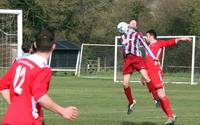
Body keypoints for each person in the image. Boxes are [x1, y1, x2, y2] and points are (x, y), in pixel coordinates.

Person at [0, 29, 78, 125]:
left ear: (35, 45)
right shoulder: (43, 69)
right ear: (53, 46)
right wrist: (62, 111)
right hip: (29, 121)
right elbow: (40, 96)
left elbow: (2, 86)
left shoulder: (19, 62)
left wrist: (14, 106)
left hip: (9, 119)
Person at [144, 29, 191, 125]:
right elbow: (146, 62)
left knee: (161, 95)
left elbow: (171, 41)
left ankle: (170, 117)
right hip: (148, 75)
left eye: (147, 36)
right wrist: (143, 76)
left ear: (151, 36)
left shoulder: (158, 44)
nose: (146, 38)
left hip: (156, 73)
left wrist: (183, 38)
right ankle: (171, 117)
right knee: (156, 99)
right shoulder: (148, 47)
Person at [119, 20, 157, 114]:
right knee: (125, 84)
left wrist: (153, 57)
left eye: (135, 23)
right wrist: (126, 61)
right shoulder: (122, 37)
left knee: (146, 77)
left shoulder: (137, 34)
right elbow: (124, 50)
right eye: (132, 22)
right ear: (127, 25)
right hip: (128, 60)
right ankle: (131, 102)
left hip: (137, 58)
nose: (134, 23)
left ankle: (156, 98)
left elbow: (145, 46)